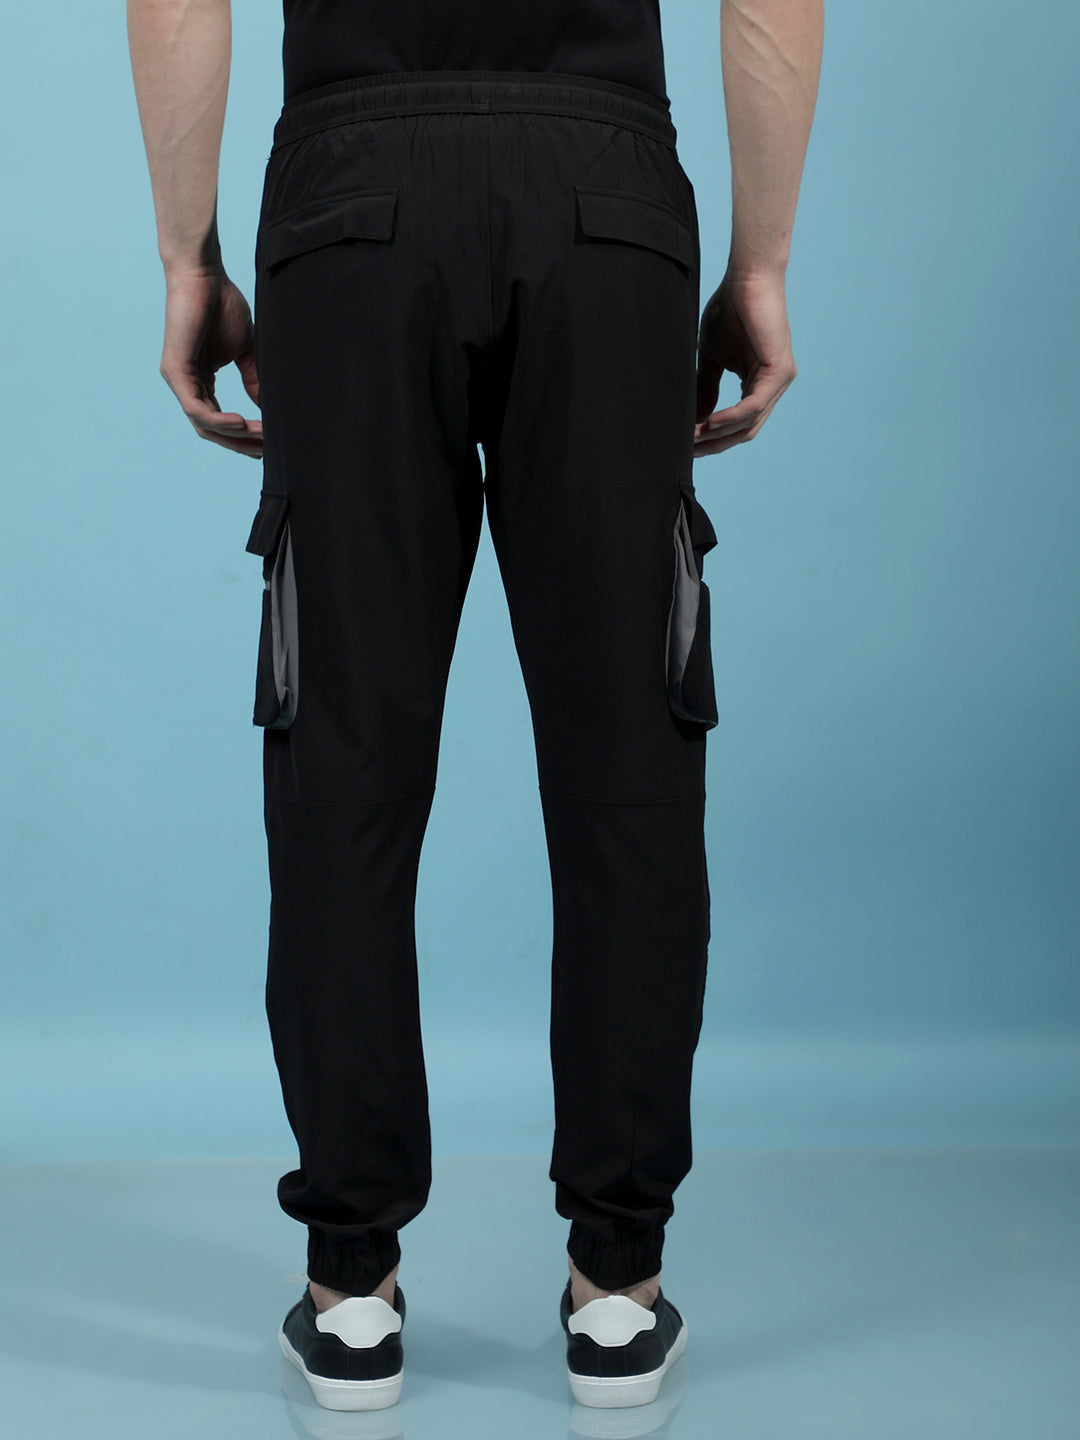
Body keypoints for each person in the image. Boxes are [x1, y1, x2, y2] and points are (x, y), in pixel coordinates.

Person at [127, 0, 823, 1413]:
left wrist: (187, 255)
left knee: (343, 755)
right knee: (630, 756)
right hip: (607, 202)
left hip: (351, 205)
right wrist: (760, 261)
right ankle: (618, 1285)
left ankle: (351, 1288)